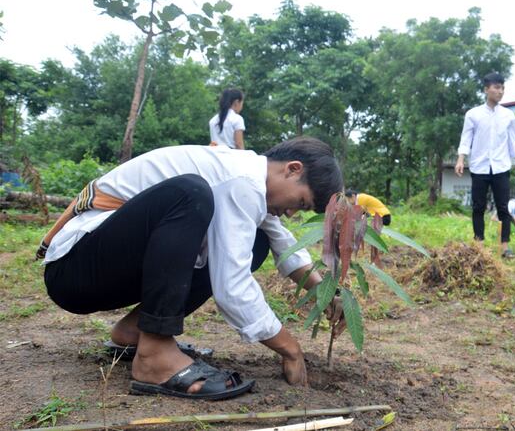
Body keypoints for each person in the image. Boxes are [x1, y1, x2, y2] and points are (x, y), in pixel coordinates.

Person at [40, 137, 346, 400]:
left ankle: (134, 332)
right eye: (301, 203)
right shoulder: (241, 180)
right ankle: (154, 355)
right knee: (190, 193)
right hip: (75, 267)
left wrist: (325, 292)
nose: (291, 213)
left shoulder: (247, 176)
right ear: (293, 169)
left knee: (257, 241)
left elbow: (284, 243)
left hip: (100, 266)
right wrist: (290, 348)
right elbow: (232, 287)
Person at [455, 73, 515, 258]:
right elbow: (466, 139)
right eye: (496, 87)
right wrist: (460, 159)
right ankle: (478, 244)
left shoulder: (509, 116)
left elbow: (513, 142)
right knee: (478, 207)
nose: (500, 91)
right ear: (486, 89)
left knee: (504, 207)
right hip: (479, 167)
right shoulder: (473, 114)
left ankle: (505, 247)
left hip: (501, 167)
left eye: (502, 88)